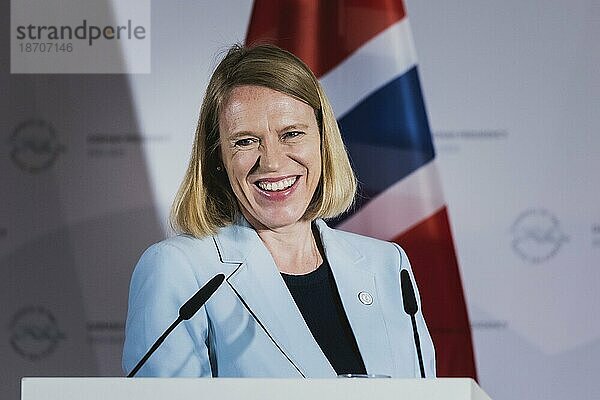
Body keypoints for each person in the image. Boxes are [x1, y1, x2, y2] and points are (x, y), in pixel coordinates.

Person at [122, 43, 435, 378]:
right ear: (218, 160)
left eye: (291, 134)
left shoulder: (388, 266)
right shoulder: (181, 270)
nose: (271, 161)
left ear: (322, 141)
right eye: (244, 141)